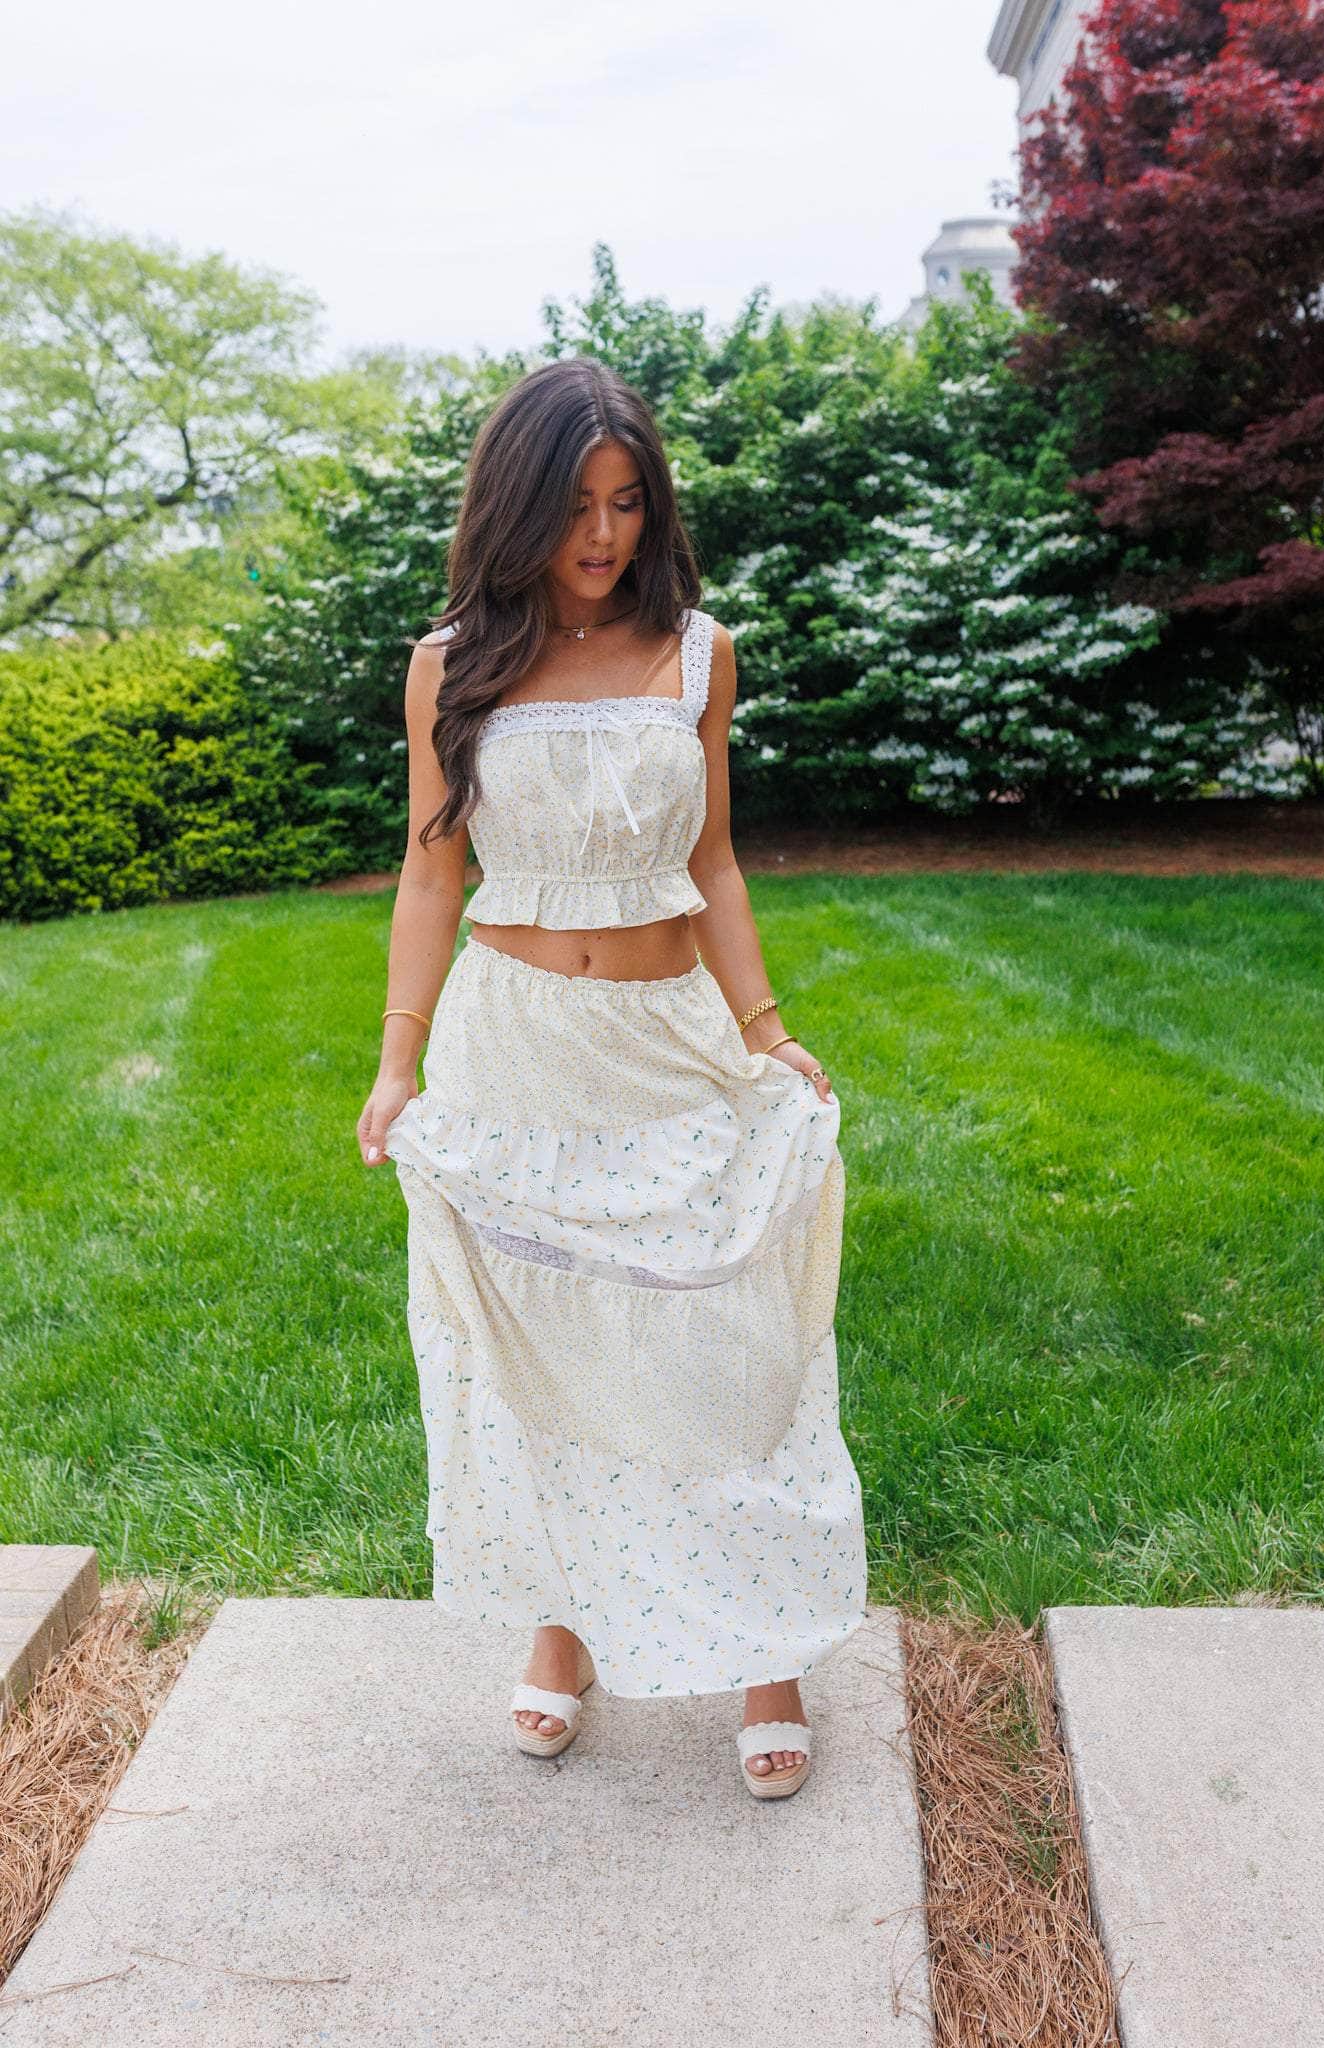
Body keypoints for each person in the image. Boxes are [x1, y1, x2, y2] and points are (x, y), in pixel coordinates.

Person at [357, 356, 867, 1799]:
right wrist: (396, 1063)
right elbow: (429, 873)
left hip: (667, 1040)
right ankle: (564, 1628)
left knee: (726, 1347)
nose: (602, 534)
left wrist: (763, 1030)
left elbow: (714, 859)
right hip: (513, 1046)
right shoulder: (451, 664)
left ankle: (763, 1650)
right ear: (515, 506)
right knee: (546, 1352)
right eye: (575, 504)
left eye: (628, 502)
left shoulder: (697, 653)